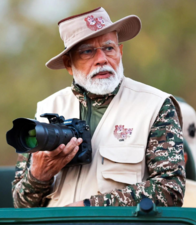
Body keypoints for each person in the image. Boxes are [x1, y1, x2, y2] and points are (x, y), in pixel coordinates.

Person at [11, 7, 185, 207]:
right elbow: (21, 205)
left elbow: (171, 190)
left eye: (109, 48)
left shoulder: (156, 105)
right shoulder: (45, 111)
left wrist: (90, 207)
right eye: (87, 51)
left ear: (120, 52)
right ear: (69, 64)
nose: (102, 59)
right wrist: (38, 177)